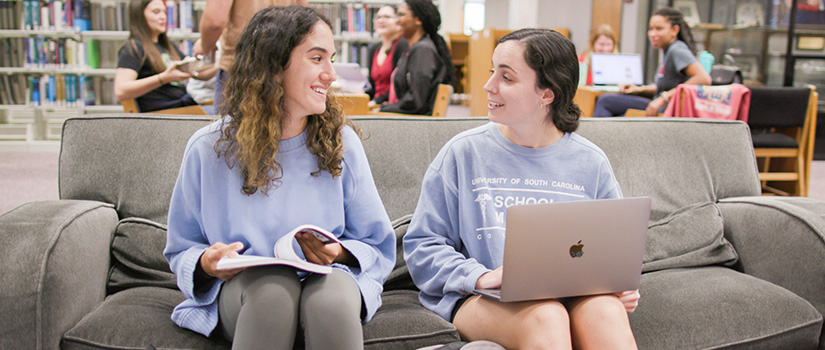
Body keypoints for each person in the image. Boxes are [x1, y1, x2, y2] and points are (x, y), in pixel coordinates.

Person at [164, 6, 395, 349]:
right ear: (273, 67)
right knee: (273, 290)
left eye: (331, 59)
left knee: (329, 301)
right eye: (317, 58)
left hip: (329, 280)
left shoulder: (342, 143)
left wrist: (339, 253)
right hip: (246, 289)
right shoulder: (207, 149)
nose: (331, 75)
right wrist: (206, 263)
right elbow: (182, 248)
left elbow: (376, 243)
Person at [403, 28, 640, 349]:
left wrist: (619, 286)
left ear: (547, 93)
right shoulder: (463, 153)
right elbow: (422, 246)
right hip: (479, 297)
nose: (488, 86)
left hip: (573, 295)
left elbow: (613, 253)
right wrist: (480, 277)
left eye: (507, 78)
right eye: (492, 73)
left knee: (607, 313)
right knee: (546, 316)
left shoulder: (591, 162)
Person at [192, 0, 309, 113]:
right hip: (283, 66)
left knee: (230, 130)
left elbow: (214, 22)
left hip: (241, 68)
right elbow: (303, 15)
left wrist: (204, 46)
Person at [592, 7, 711, 117]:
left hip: (664, 108)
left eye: (659, 29)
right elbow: (666, 86)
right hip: (658, 104)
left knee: (605, 101)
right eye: (651, 29)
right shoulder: (668, 51)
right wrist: (639, 89)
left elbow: (704, 78)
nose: (652, 34)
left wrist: (663, 98)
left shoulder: (677, 50)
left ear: (675, 30)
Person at [114, 0, 216, 112]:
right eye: (156, 12)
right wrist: (164, 78)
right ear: (139, 16)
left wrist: (222, 65)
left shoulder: (168, 46)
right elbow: (121, 91)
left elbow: (199, 74)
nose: (163, 17)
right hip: (164, 113)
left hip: (184, 107)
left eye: (164, 12)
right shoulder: (133, 48)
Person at [377, 0, 456, 115]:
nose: (397, 20)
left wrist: (383, 109)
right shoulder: (413, 49)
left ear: (418, 20)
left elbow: (416, 100)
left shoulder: (423, 50)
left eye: (401, 15)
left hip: (414, 122)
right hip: (406, 118)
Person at [365, 5, 409, 108]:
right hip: (374, 104)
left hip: (390, 106)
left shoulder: (402, 45)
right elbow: (372, 87)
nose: (381, 21)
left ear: (398, 21)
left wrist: (375, 102)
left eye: (387, 17)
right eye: (378, 17)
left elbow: (400, 87)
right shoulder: (374, 49)